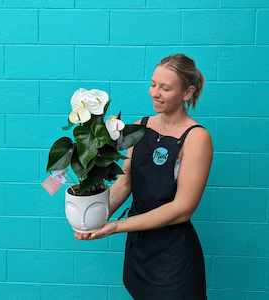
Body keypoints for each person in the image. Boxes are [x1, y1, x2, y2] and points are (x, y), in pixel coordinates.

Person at [75, 53, 213, 300]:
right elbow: (125, 181)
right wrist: (92, 217)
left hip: (174, 258)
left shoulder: (196, 138)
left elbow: (183, 209)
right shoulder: (140, 126)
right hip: (139, 250)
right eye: (153, 84)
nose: (154, 93)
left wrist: (117, 226)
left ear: (187, 92)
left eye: (165, 88)